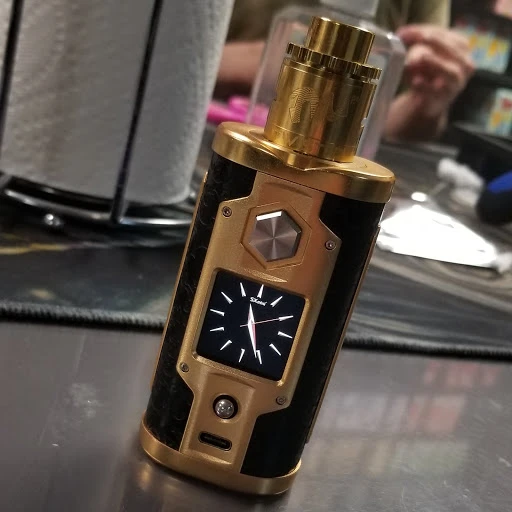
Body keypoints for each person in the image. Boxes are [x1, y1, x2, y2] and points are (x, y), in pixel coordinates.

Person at [216, 0, 474, 142]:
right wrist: (270, 60)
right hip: (220, 135)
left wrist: (426, 101)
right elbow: (189, 55)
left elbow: (381, 126)